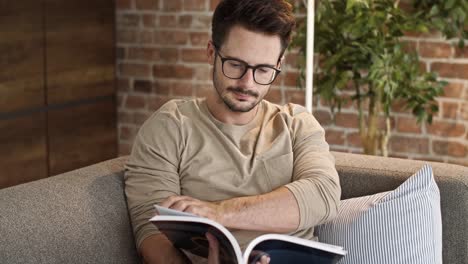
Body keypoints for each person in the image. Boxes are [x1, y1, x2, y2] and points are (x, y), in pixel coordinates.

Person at [124, 0, 341, 263]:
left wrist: (220, 213)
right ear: (210, 52)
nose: (247, 83)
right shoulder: (170, 126)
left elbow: (323, 196)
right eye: (236, 65)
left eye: (263, 70)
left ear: (279, 64)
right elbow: (151, 232)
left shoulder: (297, 124)